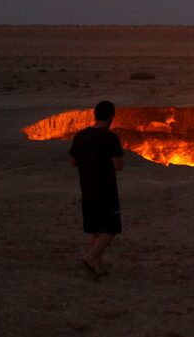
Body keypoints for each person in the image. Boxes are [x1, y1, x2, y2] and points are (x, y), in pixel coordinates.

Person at [69, 100, 124, 280]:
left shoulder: (80, 136)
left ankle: (97, 268)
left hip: (87, 189)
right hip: (106, 191)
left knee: (96, 229)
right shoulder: (110, 137)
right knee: (111, 228)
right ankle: (90, 257)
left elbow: (73, 162)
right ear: (110, 117)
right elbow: (118, 165)